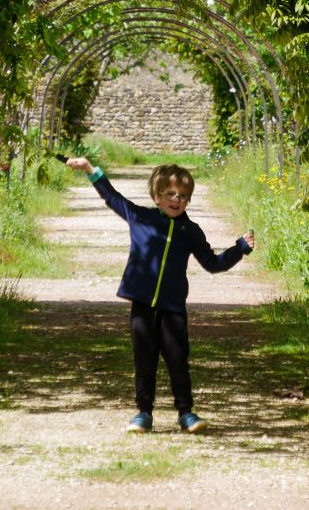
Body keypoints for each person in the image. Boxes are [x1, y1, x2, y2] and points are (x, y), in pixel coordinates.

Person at [64, 156, 255, 434]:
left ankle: (186, 413)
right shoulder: (140, 217)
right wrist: (90, 169)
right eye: (170, 194)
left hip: (173, 308)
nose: (176, 200)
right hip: (142, 304)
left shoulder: (191, 231)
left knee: (178, 359)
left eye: (183, 196)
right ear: (156, 196)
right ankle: (143, 413)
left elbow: (213, 264)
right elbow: (112, 197)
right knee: (145, 360)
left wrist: (239, 248)